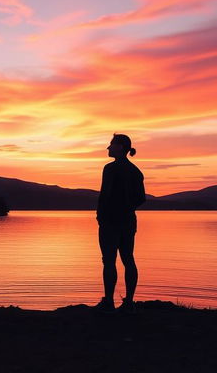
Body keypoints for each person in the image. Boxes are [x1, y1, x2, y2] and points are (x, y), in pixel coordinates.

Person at [95, 133, 145, 314]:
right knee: (128, 259)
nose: (108, 148)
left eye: (111, 145)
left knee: (109, 261)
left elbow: (105, 195)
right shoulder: (136, 171)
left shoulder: (110, 169)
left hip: (110, 221)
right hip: (128, 221)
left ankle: (108, 301)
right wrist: (127, 207)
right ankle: (129, 302)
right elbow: (141, 198)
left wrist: (101, 215)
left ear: (121, 147)